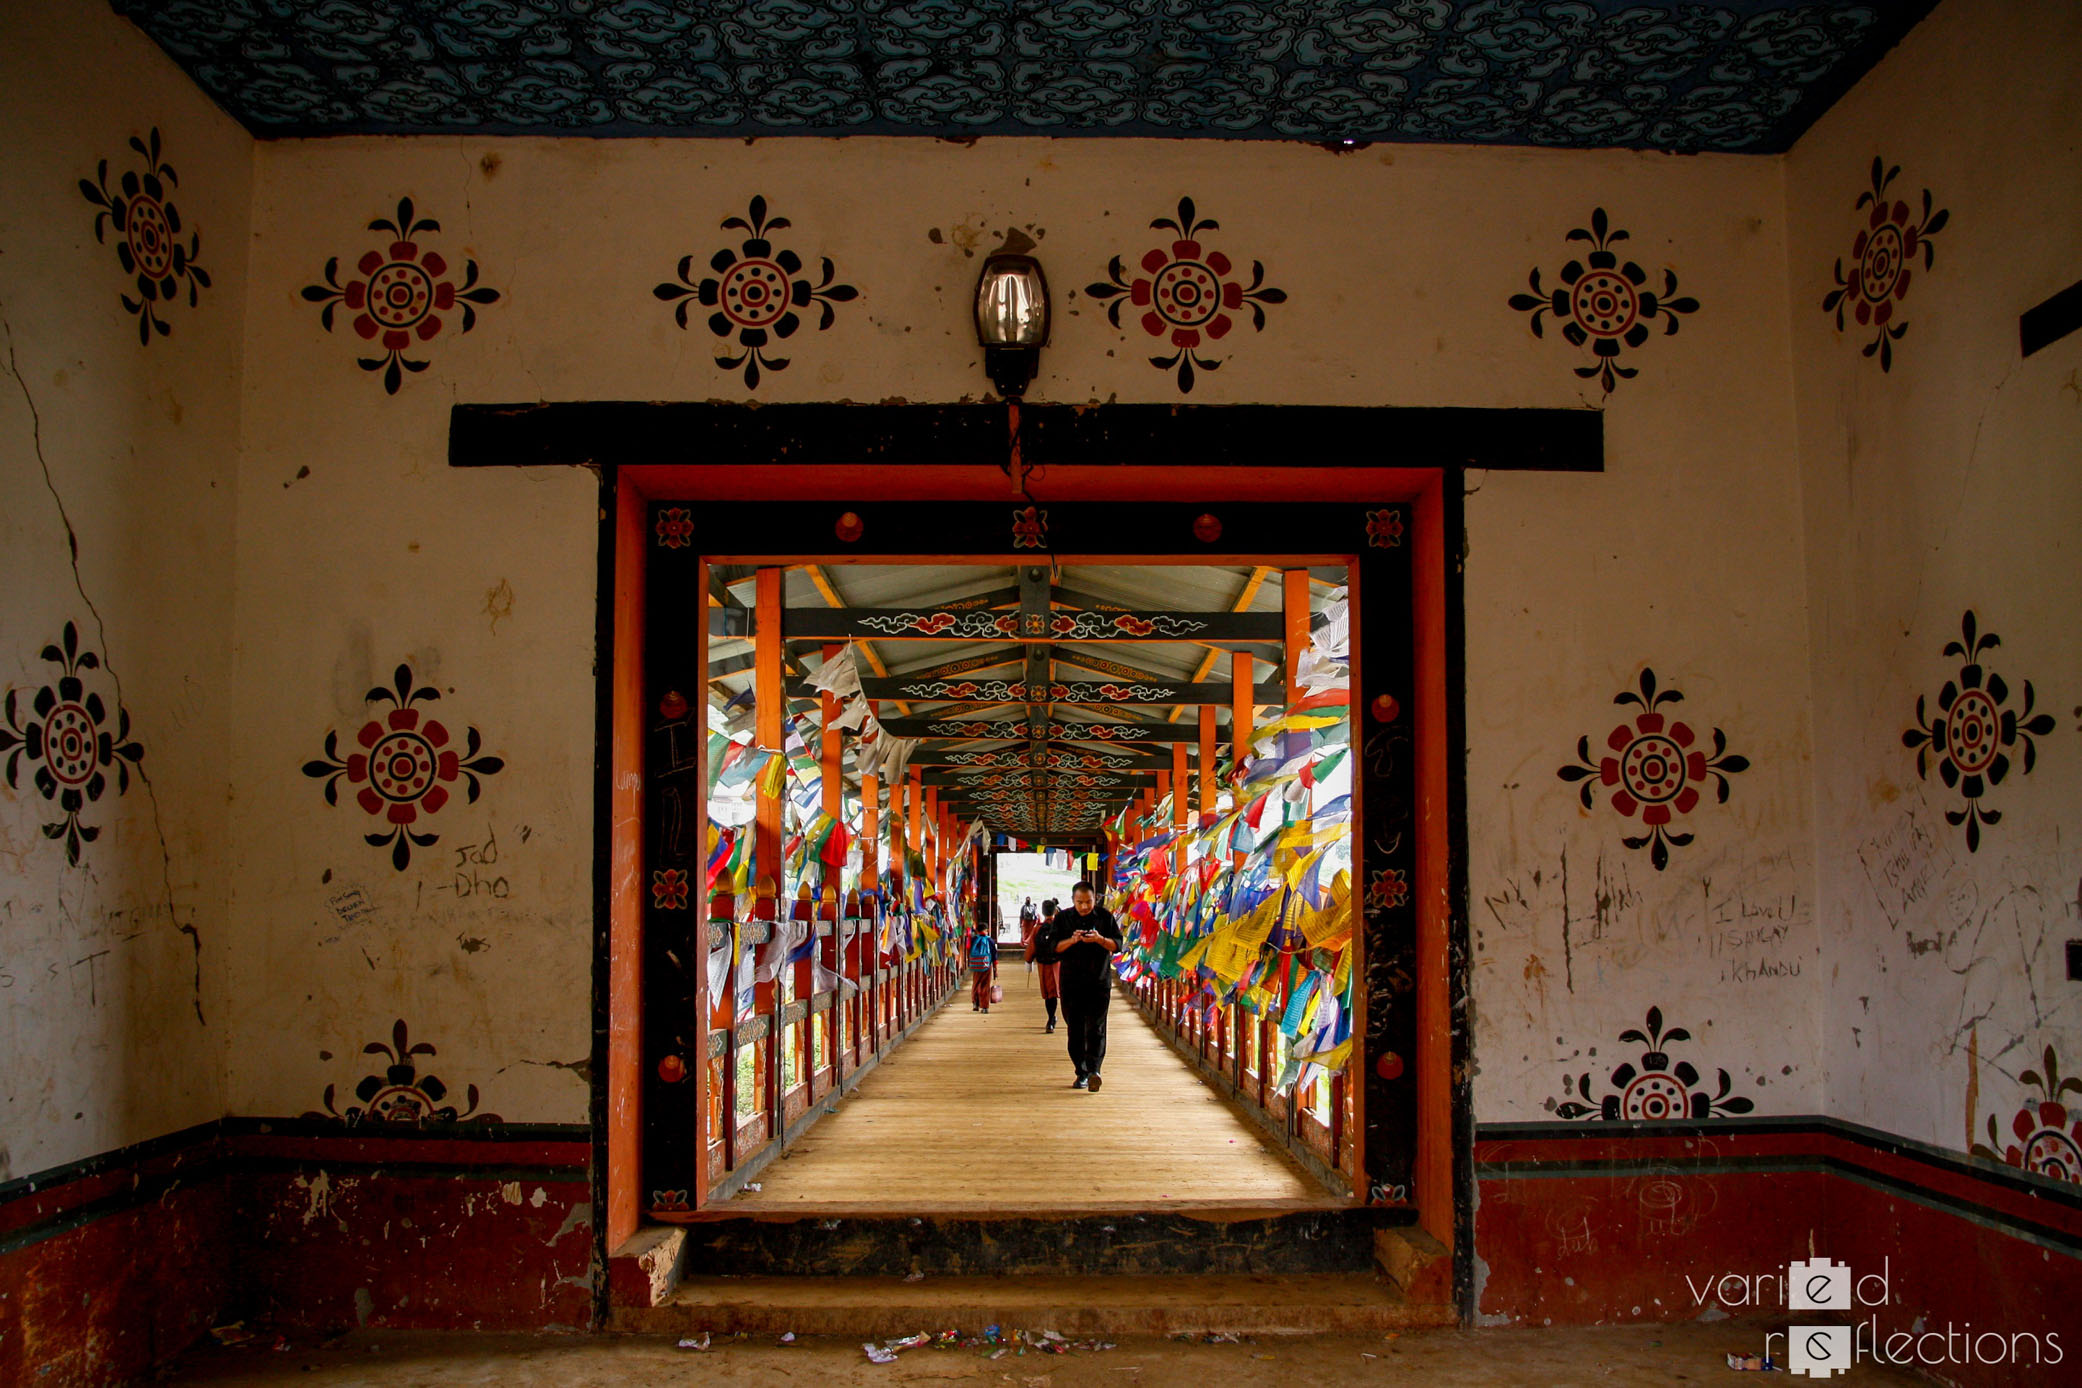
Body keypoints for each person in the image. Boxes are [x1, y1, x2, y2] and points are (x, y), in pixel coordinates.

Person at [1035, 882, 1121, 1090]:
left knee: (1096, 1027)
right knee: (1075, 1028)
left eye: (1088, 902)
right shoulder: (1064, 918)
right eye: (1080, 902)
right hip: (1071, 982)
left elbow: (1117, 945)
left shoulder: (1104, 917)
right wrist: (1072, 940)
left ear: (1094, 899)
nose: (1084, 906)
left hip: (1099, 982)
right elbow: (1054, 947)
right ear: (1073, 900)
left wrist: (1100, 939)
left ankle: (1094, 1070)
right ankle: (1080, 1071)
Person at [1023, 897, 1061, 1031]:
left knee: (1048, 992)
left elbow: (1032, 946)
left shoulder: (1038, 928)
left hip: (1043, 964)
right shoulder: (1060, 927)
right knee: (1059, 990)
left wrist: (1028, 961)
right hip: (1058, 964)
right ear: (1055, 910)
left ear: (1043, 912)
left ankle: (1051, 1018)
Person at [966, 915, 999, 1013]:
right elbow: (994, 955)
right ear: (986, 930)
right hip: (986, 965)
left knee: (976, 984)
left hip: (976, 966)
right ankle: (984, 1007)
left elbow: (968, 949)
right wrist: (995, 969)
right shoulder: (990, 940)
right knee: (985, 985)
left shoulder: (974, 939)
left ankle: (975, 1004)